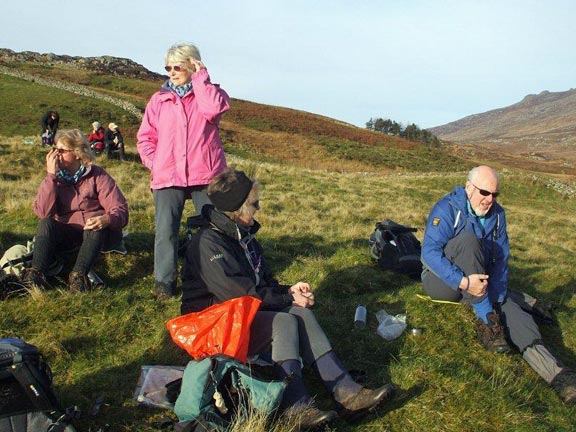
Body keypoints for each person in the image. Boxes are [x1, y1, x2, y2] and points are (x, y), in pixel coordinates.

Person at [181, 168, 395, 430]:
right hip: (211, 327)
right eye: (254, 203)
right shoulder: (208, 243)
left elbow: (263, 284)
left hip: (237, 316)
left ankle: (346, 392)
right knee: (283, 323)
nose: (259, 208)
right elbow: (241, 295)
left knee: (300, 313)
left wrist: (291, 292)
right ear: (237, 209)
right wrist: (286, 297)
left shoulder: (241, 236)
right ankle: (296, 409)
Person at [420, 165, 576, 404]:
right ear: (469, 188)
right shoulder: (447, 208)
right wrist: (464, 282)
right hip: (441, 282)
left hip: (478, 281)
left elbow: (501, 260)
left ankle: (558, 376)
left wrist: (497, 295)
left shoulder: (498, 215)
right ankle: (488, 323)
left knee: (509, 308)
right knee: (469, 242)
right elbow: (428, 254)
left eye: (495, 194)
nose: (489, 199)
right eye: (484, 192)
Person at [137, 42, 230, 298]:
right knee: (166, 230)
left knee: (213, 230)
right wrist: (155, 162)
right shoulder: (158, 100)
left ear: (192, 65)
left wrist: (202, 79)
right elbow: (145, 137)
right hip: (168, 175)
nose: (172, 71)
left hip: (206, 174)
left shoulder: (212, 93)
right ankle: (164, 284)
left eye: (178, 66)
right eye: (168, 66)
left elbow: (212, 111)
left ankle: (214, 278)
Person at [21, 129, 129, 292]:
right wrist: (51, 176)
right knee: (46, 223)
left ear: (78, 153)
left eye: (62, 151)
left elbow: (120, 210)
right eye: (55, 150)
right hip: (67, 233)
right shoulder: (54, 179)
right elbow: (43, 213)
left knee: (96, 223)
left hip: (94, 234)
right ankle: (36, 274)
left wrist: (106, 219)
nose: (56, 155)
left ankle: (78, 276)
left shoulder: (97, 175)